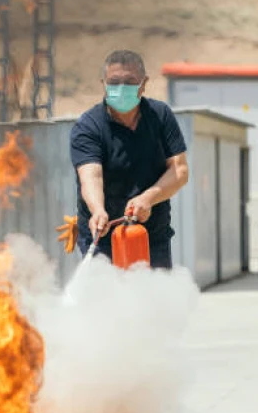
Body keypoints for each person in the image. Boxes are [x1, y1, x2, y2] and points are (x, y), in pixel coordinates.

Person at [67, 49, 190, 269]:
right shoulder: (88, 126)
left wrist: (149, 198)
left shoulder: (161, 117)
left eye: (130, 81)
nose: (122, 88)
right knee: (107, 301)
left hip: (152, 237)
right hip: (102, 239)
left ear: (144, 84)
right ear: (103, 84)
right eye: (114, 82)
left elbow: (179, 171)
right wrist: (97, 210)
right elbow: (90, 176)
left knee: (153, 301)